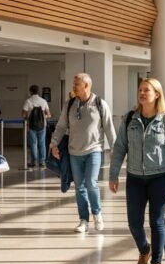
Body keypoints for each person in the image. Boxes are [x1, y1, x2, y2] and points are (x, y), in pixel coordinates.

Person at [109, 78, 165, 264]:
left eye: (146, 90)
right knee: (134, 223)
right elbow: (120, 148)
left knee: (156, 222)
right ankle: (145, 249)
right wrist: (113, 175)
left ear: (156, 94)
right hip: (135, 178)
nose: (142, 93)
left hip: (160, 177)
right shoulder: (130, 119)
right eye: (140, 90)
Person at [50, 73, 116, 233]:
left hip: (94, 150)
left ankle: (97, 215)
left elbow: (109, 127)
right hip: (74, 152)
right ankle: (83, 220)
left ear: (87, 86)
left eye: (76, 85)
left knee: (91, 183)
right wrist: (53, 144)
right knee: (79, 187)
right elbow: (60, 126)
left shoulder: (100, 104)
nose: (73, 88)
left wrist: (115, 148)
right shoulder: (70, 104)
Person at [22, 85, 52, 168]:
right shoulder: (43, 101)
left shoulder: (28, 101)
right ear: (38, 91)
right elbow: (49, 114)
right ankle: (42, 162)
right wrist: (42, 117)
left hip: (31, 125)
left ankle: (34, 162)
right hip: (42, 125)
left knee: (33, 143)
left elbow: (23, 114)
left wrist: (28, 118)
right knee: (42, 143)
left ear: (30, 91)